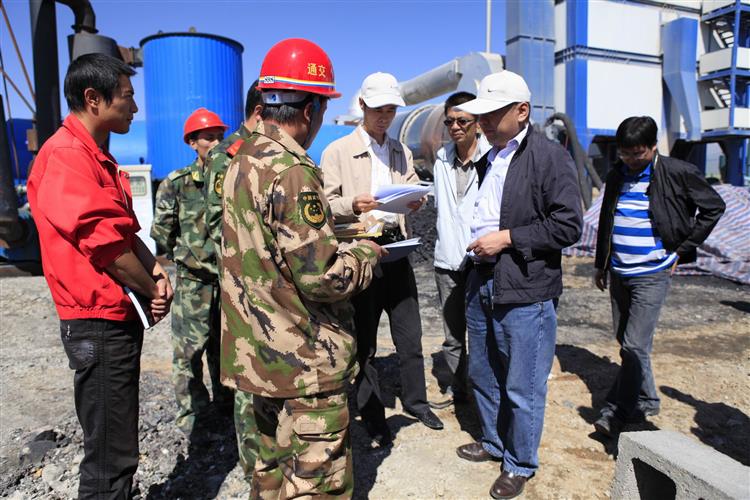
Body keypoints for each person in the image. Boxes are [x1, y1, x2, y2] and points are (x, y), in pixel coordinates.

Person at [220, 38, 385, 497]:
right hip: (303, 363)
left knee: (268, 475)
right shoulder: (293, 170)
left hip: (258, 358)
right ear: (310, 110)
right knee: (316, 484)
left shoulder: (242, 158)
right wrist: (367, 252)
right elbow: (323, 277)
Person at [27, 53, 173, 499]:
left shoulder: (95, 156)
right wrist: (151, 289)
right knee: (110, 457)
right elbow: (107, 245)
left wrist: (156, 270)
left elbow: (125, 233)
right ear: (94, 99)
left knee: (117, 443)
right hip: (97, 324)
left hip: (111, 318)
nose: (134, 107)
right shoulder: (67, 156)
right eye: (127, 97)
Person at [454, 71, 582, 499]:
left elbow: (568, 225)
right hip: (482, 278)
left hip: (525, 287)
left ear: (522, 111)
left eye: (493, 115)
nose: (484, 123)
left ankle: (519, 463)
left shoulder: (548, 157)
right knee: (484, 372)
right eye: (482, 115)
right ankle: (494, 442)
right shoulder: (492, 156)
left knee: (522, 384)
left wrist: (507, 238)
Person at [321, 71, 444, 446]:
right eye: (378, 110)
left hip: (396, 247)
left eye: (390, 110)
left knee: (410, 335)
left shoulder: (400, 151)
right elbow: (324, 205)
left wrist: (415, 199)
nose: (385, 117)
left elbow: (410, 185)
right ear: (362, 105)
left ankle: (417, 403)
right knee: (366, 342)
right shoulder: (337, 152)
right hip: (361, 252)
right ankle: (373, 416)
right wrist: (353, 204)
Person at [593, 116, 725, 438]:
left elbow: (713, 207)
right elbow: (607, 219)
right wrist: (601, 264)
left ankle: (617, 412)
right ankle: (648, 398)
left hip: (652, 273)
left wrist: (681, 249)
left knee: (634, 346)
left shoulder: (678, 172)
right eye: (625, 153)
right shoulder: (617, 175)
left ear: (653, 147)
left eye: (637, 153)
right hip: (619, 271)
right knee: (627, 342)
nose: (631, 159)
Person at [151, 107, 233, 434]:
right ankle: (193, 417)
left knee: (224, 349)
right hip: (193, 283)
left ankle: (226, 409)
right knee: (189, 352)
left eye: (219, 137)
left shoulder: (231, 179)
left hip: (226, 281)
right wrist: (189, 256)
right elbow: (162, 232)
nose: (215, 143)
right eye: (208, 137)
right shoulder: (178, 183)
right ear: (192, 142)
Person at [203, 80, 263, 483]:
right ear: (260, 111)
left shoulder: (270, 151)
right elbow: (215, 224)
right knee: (247, 374)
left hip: (273, 286)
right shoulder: (228, 155)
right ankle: (255, 466)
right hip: (244, 285)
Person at [430, 91, 491, 409]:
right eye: (450, 121)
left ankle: (485, 395)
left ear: (477, 123)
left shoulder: (493, 158)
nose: (455, 127)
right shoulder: (441, 159)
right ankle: (458, 390)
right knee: (453, 335)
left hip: (481, 260)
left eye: (463, 121)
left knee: (482, 333)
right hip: (447, 260)